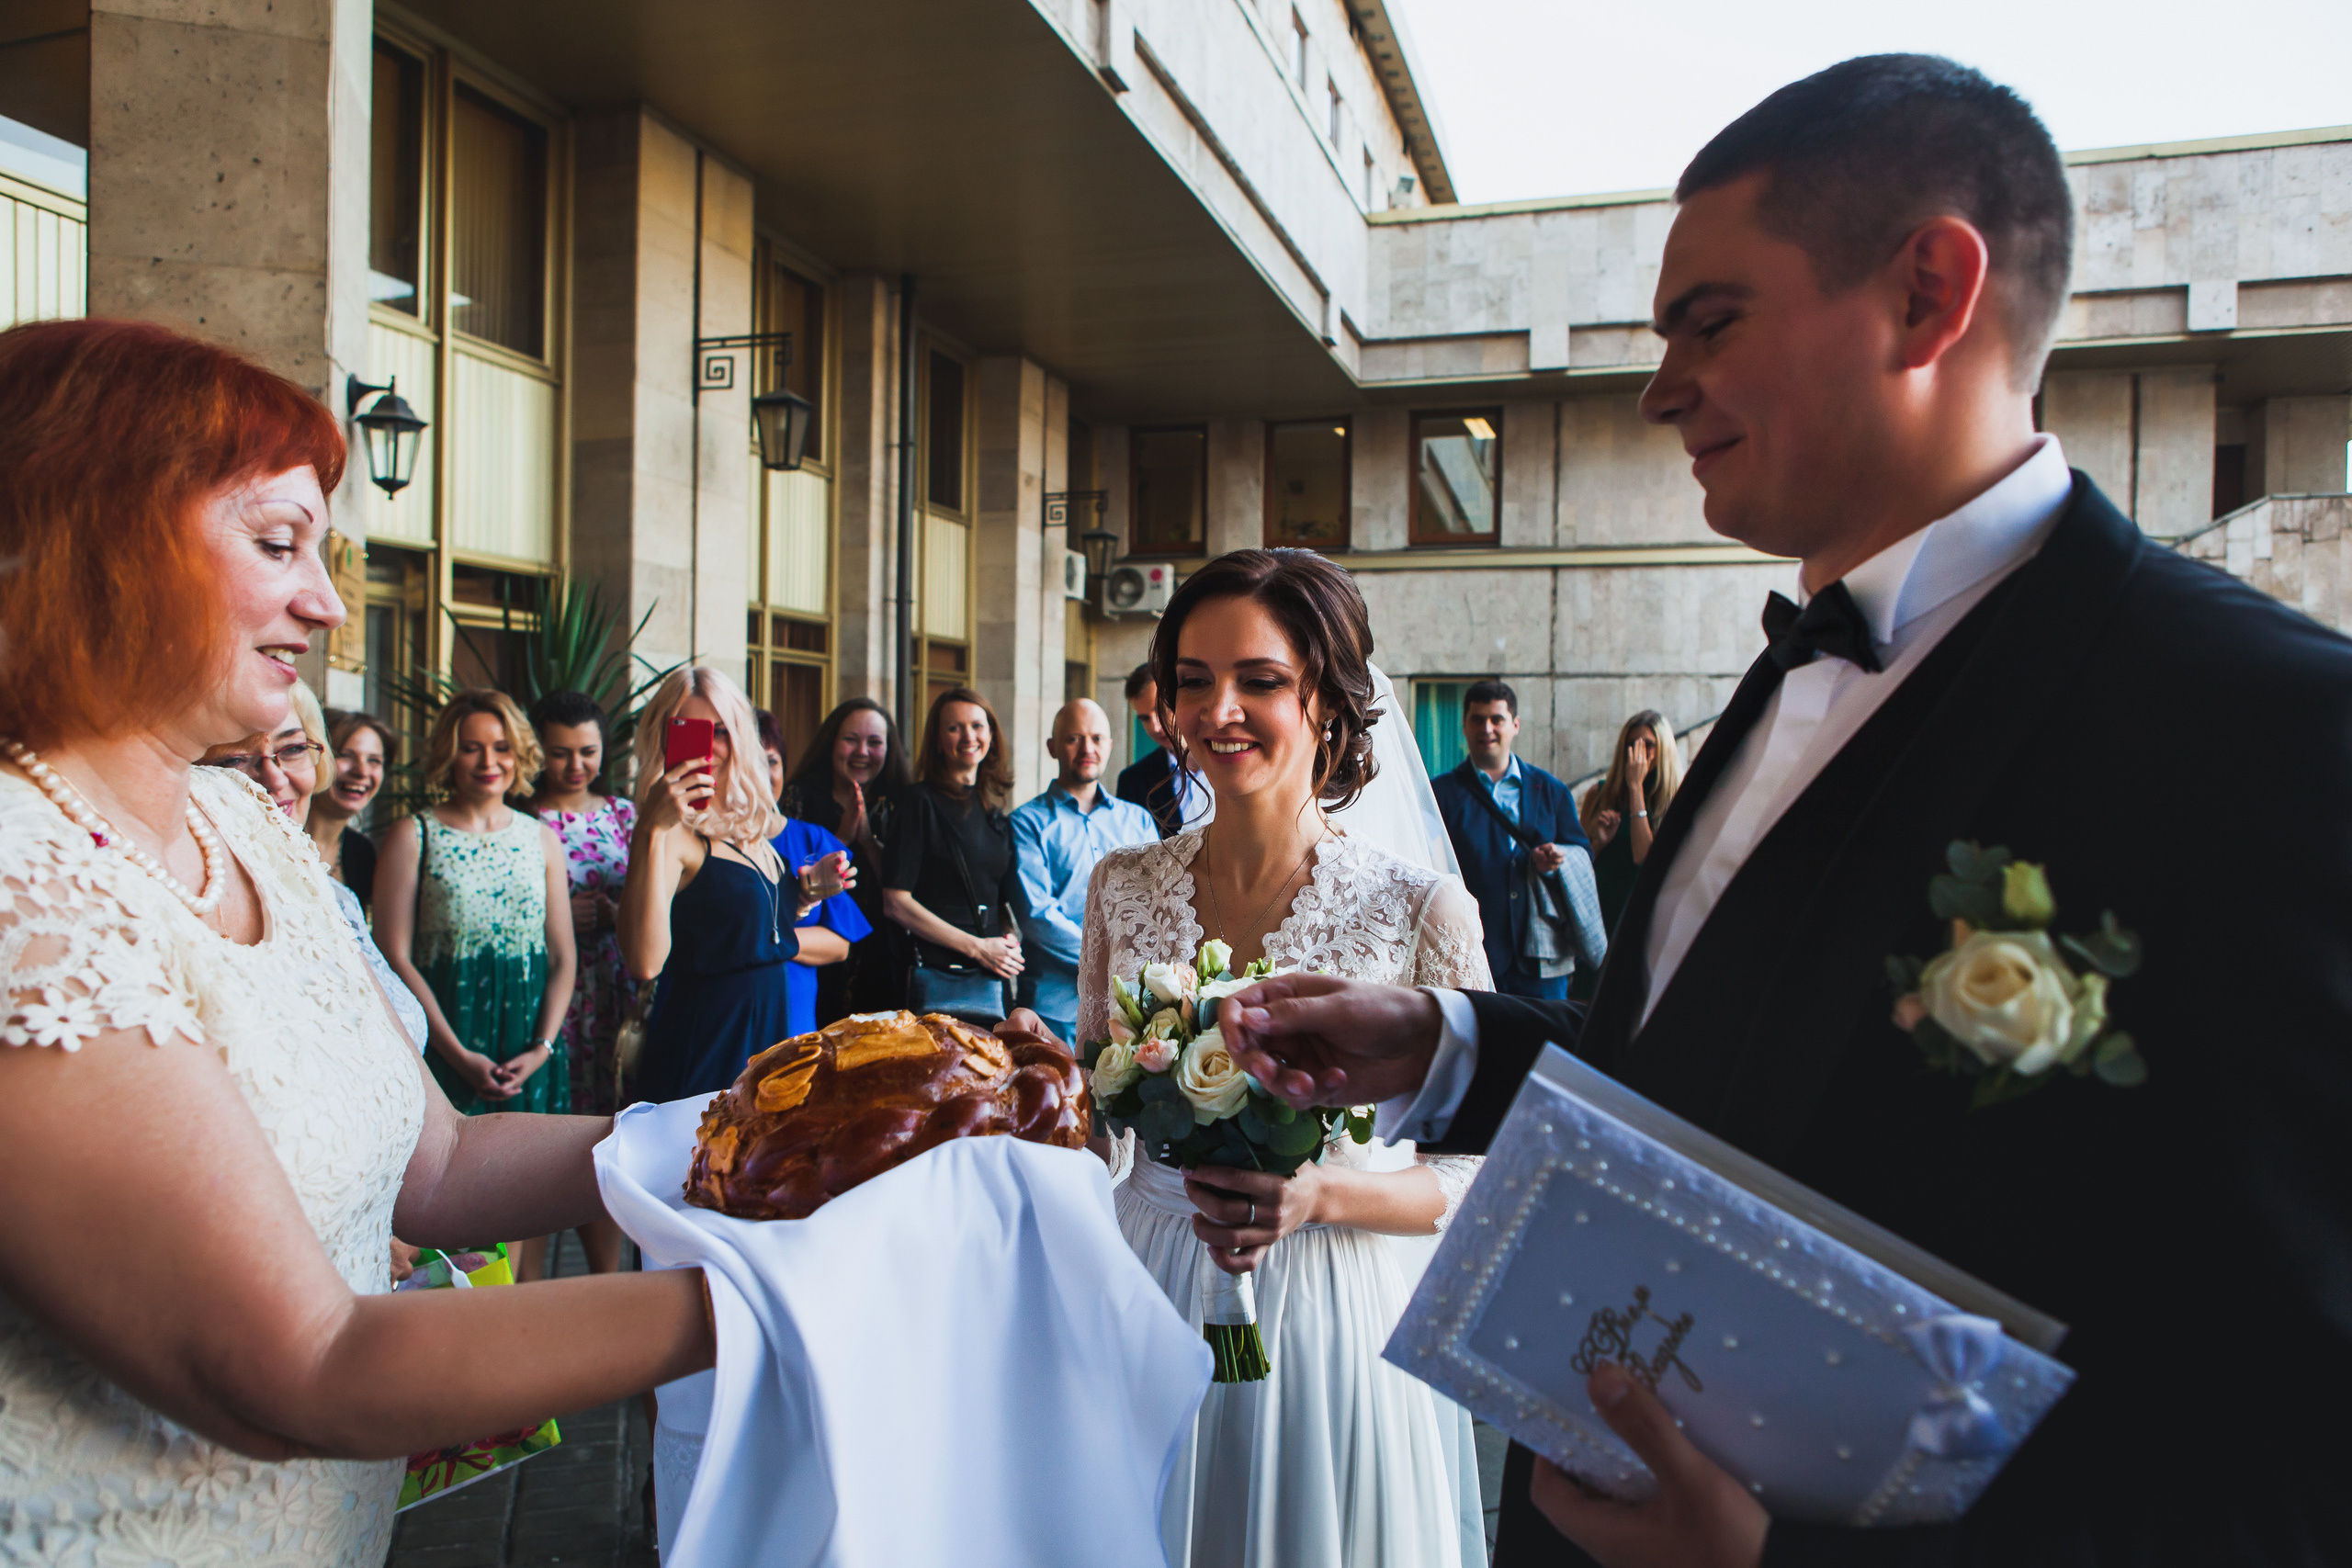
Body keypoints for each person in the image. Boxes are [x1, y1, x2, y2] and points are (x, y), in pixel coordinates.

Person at [1226, 55, 2352, 1568]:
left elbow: (2293, 1433)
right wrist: (1451, 1045)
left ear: (1927, 295)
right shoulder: (1784, 673)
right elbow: (1716, 1075)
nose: (1659, 389)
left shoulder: (2268, 733)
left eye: (1711, 322)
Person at [0, 317, 712, 1568]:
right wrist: (777, 1294)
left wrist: (750, 1135)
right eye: (278, 543)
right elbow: (307, 1365)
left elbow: (439, 1161)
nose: (327, 604)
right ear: (96, 540)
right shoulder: (22, 879)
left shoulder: (240, 820)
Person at [1079, 547, 1489, 1568]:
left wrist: (1319, 1196)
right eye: (1192, 680)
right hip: (1144, 1285)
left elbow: (1480, 1173)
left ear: (1330, 704)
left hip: (1327, 1308)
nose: (1217, 712)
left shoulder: (1419, 909)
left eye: (1258, 681)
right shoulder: (1120, 885)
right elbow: (1092, 1123)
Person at [376, 689, 579, 1281]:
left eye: (501, 747)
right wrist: (456, 1054)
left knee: (529, 1211)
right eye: (471, 748)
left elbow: (564, 956)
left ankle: (523, 1326)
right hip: (445, 1043)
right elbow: (393, 955)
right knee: (444, 1219)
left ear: (519, 754)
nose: (489, 761)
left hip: (528, 1050)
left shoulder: (541, 838)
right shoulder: (413, 834)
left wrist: (541, 1050)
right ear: (449, 754)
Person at [620, 666, 847, 1102]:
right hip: (707, 1040)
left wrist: (804, 897)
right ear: (662, 738)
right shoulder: (669, 832)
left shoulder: (749, 823)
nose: (708, 747)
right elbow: (645, 962)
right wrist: (650, 828)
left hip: (768, 1032)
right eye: (690, 731)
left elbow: (739, 928)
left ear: (741, 735)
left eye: (720, 731)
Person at [200, 682, 428, 1055]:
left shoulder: (340, 895)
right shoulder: (199, 910)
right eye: (235, 759)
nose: (275, 778)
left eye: (292, 749)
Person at [526, 687, 636, 1274]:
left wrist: (620, 914)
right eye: (561, 752)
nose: (575, 765)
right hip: (549, 999)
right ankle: (524, 1287)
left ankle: (605, 1279)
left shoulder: (624, 815)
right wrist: (561, 915)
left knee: (605, 1138)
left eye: (587, 752)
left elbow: (656, 899)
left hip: (614, 995)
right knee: (542, 1138)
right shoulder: (523, 818)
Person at [1008, 697, 1157, 1044]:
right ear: (1052, 747)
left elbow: (1155, 901)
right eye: (1074, 738)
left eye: (1096, 738)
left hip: (1129, 1007)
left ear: (1109, 745)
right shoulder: (1026, 823)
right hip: (1053, 1009)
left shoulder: (1138, 821)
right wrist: (1112, 959)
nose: (1087, 749)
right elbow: (1036, 915)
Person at [1430, 679, 1591, 999]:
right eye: (1478, 719)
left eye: (1497, 719)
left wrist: (1557, 859)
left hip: (1544, 959)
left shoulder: (1552, 791)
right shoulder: (1440, 795)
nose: (1487, 729)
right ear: (1464, 726)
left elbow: (1583, 854)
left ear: (1515, 725)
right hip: (1473, 956)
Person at [883, 685, 1023, 1025]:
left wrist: (1007, 940)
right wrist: (977, 947)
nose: (968, 736)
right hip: (939, 973)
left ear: (991, 735)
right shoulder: (919, 802)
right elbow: (895, 902)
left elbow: (996, 899)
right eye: (954, 727)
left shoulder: (993, 812)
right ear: (937, 740)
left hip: (992, 977)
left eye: (977, 726)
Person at [780, 696, 910, 1021]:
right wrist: (840, 838)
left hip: (882, 952)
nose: (862, 752)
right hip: (816, 950)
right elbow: (786, 879)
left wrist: (867, 841)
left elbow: (902, 890)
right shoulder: (798, 797)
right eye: (851, 739)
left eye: (874, 742)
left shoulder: (900, 804)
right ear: (831, 742)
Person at [757, 708, 871, 1037]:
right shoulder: (710, 843)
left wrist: (765, 942)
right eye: (750, 763)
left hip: (795, 1024)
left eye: (772, 762)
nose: (763, 774)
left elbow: (840, 944)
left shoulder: (812, 840)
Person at [1570, 710, 1683, 999]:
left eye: (1648, 745)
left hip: (1641, 916)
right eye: (1631, 744)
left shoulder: (1674, 799)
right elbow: (1579, 866)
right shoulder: (1600, 794)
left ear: (1664, 749)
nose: (1638, 753)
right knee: (1587, 1003)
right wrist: (1600, 842)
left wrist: (1635, 788)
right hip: (1600, 917)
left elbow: (1643, 856)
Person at [306, 708, 395, 913]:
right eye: (345, 756)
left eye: (374, 761)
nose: (361, 771)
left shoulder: (362, 852)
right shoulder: (275, 836)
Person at [1115, 661, 1196, 837]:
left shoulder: (1232, 763)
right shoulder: (1133, 782)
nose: (1155, 727)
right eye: (1145, 718)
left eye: (1161, 710)